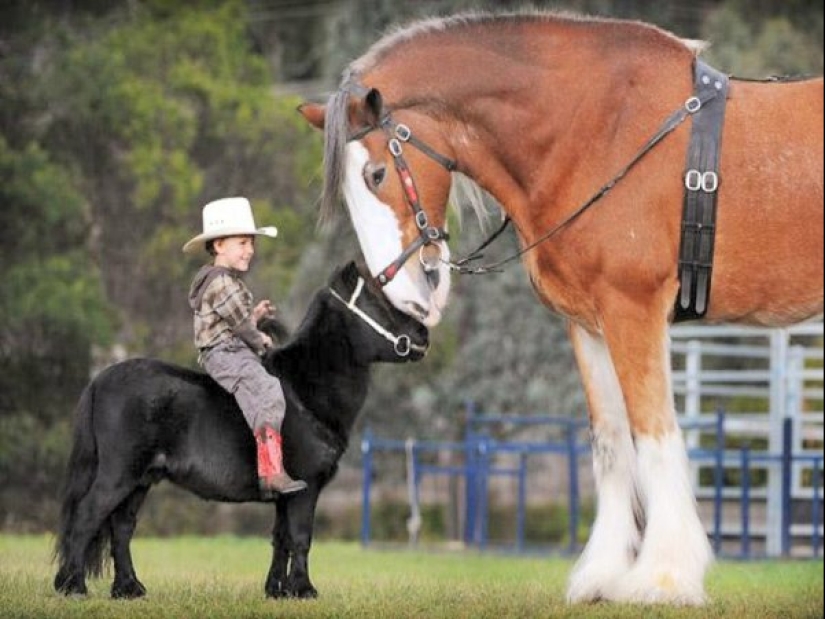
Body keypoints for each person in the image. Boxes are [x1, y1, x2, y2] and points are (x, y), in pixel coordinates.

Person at [183, 197, 306, 497]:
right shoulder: (223, 283)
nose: (250, 250)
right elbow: (240, 328)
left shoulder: (219, 280)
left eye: (251, 243)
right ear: (219, 245)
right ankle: (271, 471)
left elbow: (234, 319)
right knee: (268, 392)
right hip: (226, 354)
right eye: (242, 243)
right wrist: (261, 339)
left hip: (226, 347)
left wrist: (256, 316)